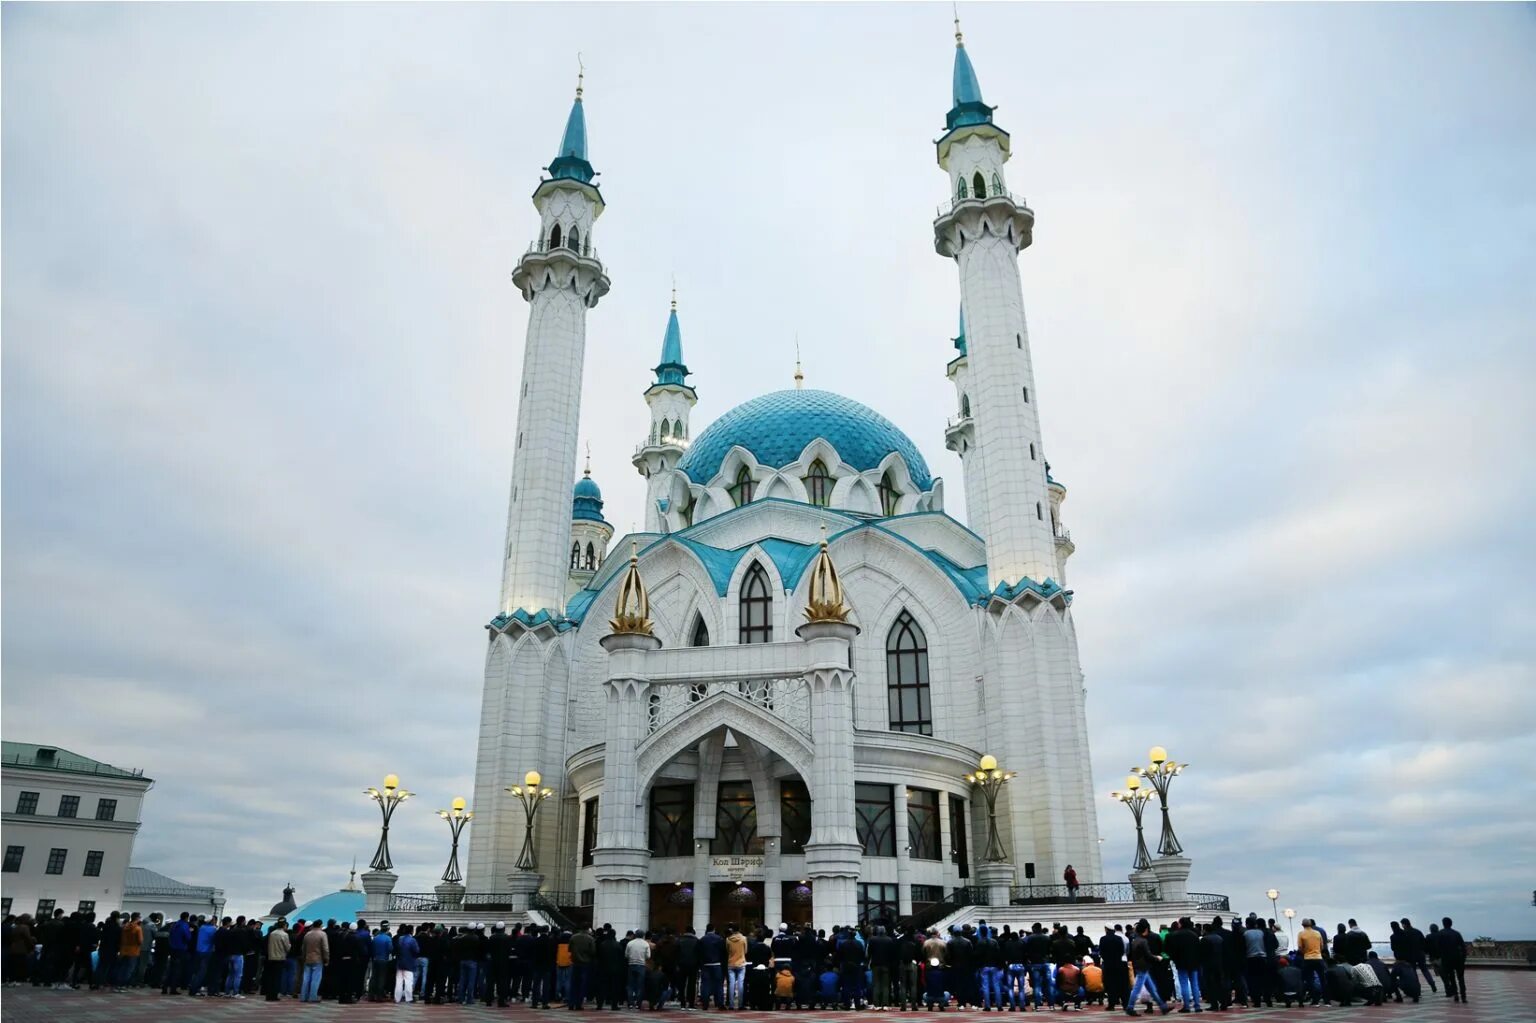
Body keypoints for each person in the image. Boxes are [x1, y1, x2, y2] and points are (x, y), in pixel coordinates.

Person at [1124, 922, 1167, 1017]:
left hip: (1139, 966)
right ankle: (1130, 1007)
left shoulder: (1135, 940)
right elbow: (1148, 955)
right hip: (1143, 967)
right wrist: (1157, 958)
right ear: (1146, 930)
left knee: (1152, 989)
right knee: (1137, 989)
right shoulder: (1143, 941)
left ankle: (1163, 1006)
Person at [1163, 918, 1200, 1014]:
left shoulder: (1174, 935)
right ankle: (1197, 1006)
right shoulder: (1194, 935)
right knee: (1194, 984)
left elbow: (1169, 949)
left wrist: (1174, 958)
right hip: (1194, 962)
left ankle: (1186, 1006)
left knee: (1183, 983)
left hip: (1181, 962)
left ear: (1181, 924)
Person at [1397, 918, 1437, 993]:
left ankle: (1417, 988)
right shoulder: (1417, 931)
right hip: (1420, 954)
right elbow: (1424, 943)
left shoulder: (1404, 933)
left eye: (1402, 924)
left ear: (1404, 924)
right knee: (1425, 970)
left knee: (1414, 972)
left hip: (1410, 956)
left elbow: (1403, 946)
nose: (1402, 926)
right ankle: (1432, 984)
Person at [1295, 918, 1326, 1006]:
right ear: (1311, 925)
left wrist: (1306, 953)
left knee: (1309, 980)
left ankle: (1314, 1000)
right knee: (1322, 979)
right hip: (1318, 958)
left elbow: (1300, 948)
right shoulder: (1317, 933)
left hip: (1308, 958)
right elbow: (1322, 946)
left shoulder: (1301, 934)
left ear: (1302, 925)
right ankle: (1327, 1000)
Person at [1438, 917, 1467, 1003]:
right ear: (1451, 924)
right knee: (1461, 978)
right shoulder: (1456, 933)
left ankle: (1456, 995)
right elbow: (1463, 947)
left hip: (1447, 959)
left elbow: (1438, 948)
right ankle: (1464, 996)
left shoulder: (1440, 934)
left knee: (1452, 978)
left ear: (1443, 924)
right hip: (1458, 958)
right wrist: (1463, 959)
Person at [1099, 925, 1128, 1012]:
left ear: (1106, 929)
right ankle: (1125, 1004)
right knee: (1122, 985)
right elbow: (1122, 951)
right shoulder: (1119, 938)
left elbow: (1102, 952)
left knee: (1110, 985)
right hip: (1119, 964)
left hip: (1108, 965)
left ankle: (1111, 1004)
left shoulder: (1103, 939)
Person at [300, 918, 328, 1002]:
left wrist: (304, 957)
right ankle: (312, 997)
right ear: (320, 925)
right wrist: (326, 959)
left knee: (306, 979)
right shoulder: (322, 934)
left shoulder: (307, 934)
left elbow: (303, 948)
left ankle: (303, 996)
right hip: (318, 959)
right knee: (315, 979)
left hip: (307, 959)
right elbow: (325, 948)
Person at [921, 927, 948, 1009]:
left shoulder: (926, 943)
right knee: (941, 986)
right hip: (941, 967)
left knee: (929, 986)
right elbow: (946, 954)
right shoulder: (943, 942)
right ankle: (942, 1003)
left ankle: (930, 1003)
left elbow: (923, 953)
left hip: (929, 967)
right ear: (937, 933)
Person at [263, 920, 289, 1001]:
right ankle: (274, 995)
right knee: (277, 978)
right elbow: (287, 948)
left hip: (271, 957)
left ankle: (269, 995)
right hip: (280, 957)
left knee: (271, 977)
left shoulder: (272, 933)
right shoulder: (284, 935)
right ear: (284, 926)